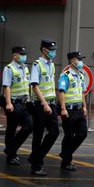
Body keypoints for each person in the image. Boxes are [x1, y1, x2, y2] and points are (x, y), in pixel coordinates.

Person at [28, 38, 59, 176]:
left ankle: (35, 157)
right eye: (51, 50)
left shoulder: (51, 65)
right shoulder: (37, 64)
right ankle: (36, 165)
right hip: (40, 105)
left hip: (51, 104)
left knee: (55, 132)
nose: (54, 52)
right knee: (38, 135)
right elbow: (35, 86)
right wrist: (44, 103)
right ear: (44, 50)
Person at [57, 51, 88, 171]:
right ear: (72, 61)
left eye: (81, 59)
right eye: (78, 59)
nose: (80, 61)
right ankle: (66, 161)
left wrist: (84, 106)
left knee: (83, 133)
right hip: (68, 110)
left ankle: (65, 153)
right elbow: (61, 92)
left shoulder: (80, 75)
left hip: (79, 109)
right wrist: (63, 109)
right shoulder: (65, 75)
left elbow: (82, 93)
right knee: (69, 136)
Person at [2, 46, 33, 165]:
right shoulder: (9, 68)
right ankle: (11, 155)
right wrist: (9, 103)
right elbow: (7, 86)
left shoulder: (25, 68)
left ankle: (11, 148)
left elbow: (27, 86)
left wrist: (29, 100)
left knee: (29, 126)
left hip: (25, 103)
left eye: (25, 54)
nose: (24, 56)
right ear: (15, 55)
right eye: (22, 54)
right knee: (11, 129)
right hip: (14, 103)